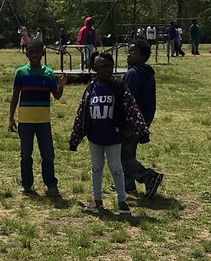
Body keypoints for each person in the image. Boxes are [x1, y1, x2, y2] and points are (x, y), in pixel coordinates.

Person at [69, 51, 149, 216]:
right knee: (96, 167)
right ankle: (97, 199)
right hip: (95, 137)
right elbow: (81, 114)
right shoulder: (90, 89)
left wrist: (142, 131)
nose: (106, 69)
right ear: (94, 68)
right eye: (102, 66)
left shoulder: (119, 87)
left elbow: (132, 109)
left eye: (109, 66)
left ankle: (122, 201)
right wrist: (75, 138)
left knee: (116, 168)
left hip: (114, 136)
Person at [8, 38, 67, 197]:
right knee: (26, 154)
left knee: (47, 154)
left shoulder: (48, 73)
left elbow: (57, 95)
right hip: (25, 121)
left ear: (43, 53)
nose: (34, 55)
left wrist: (61, 86)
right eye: (31, 52)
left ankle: (51, 184)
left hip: (43, 121)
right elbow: (15, 96)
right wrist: (11, 117)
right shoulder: (21, 73)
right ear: (26, 54)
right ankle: (26, 184)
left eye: (37, 52)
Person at [121, 38, 163, 199]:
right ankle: (127, 184)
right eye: (128, 51)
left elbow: (126, 99)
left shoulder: (133, 74)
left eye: (133, 52)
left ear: (143, 56)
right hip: (144, 119)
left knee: (122, 156)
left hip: (132, 120)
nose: (129, 54)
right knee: (128, 151)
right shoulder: (146, 72)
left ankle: (149, 177)